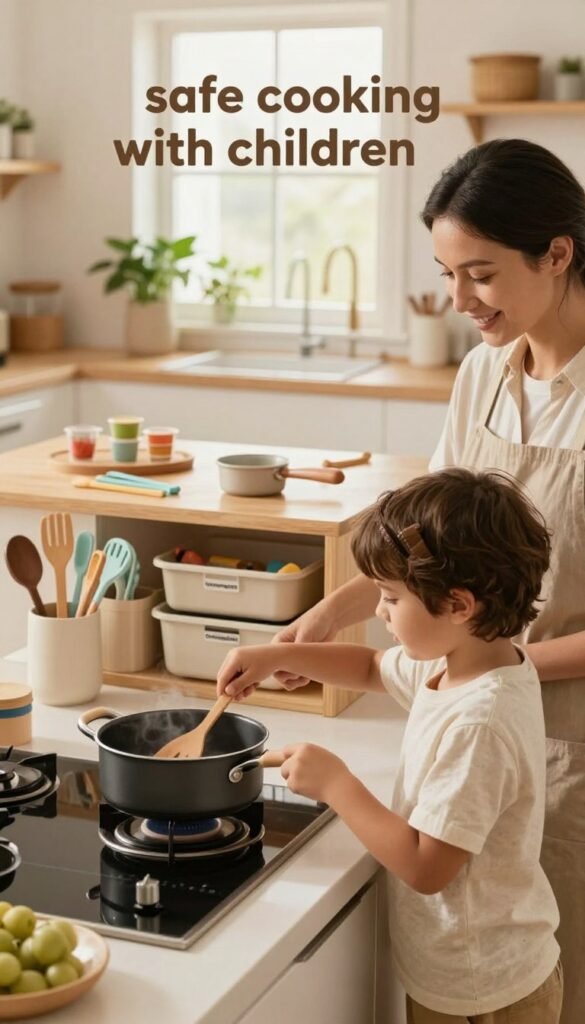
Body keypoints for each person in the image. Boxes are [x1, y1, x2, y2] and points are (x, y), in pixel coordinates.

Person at [269, 139, 585, 1024]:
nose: (458, 303)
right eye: (447, 273)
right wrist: (338, 606)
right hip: (478, 692)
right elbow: (424, 525)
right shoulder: (485, 371)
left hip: (570, 745)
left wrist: (500, 664)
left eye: (479, 274)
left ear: (556, 252)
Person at [217, 468, 563, 1023]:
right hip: (455, 971)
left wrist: (337, 784)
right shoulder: (465, 664)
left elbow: (428, 867)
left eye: (390, 598)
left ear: (458, 605)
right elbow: (372, 665)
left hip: (487, 992)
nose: (378, 612)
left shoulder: (481, 721)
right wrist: (276, 655)